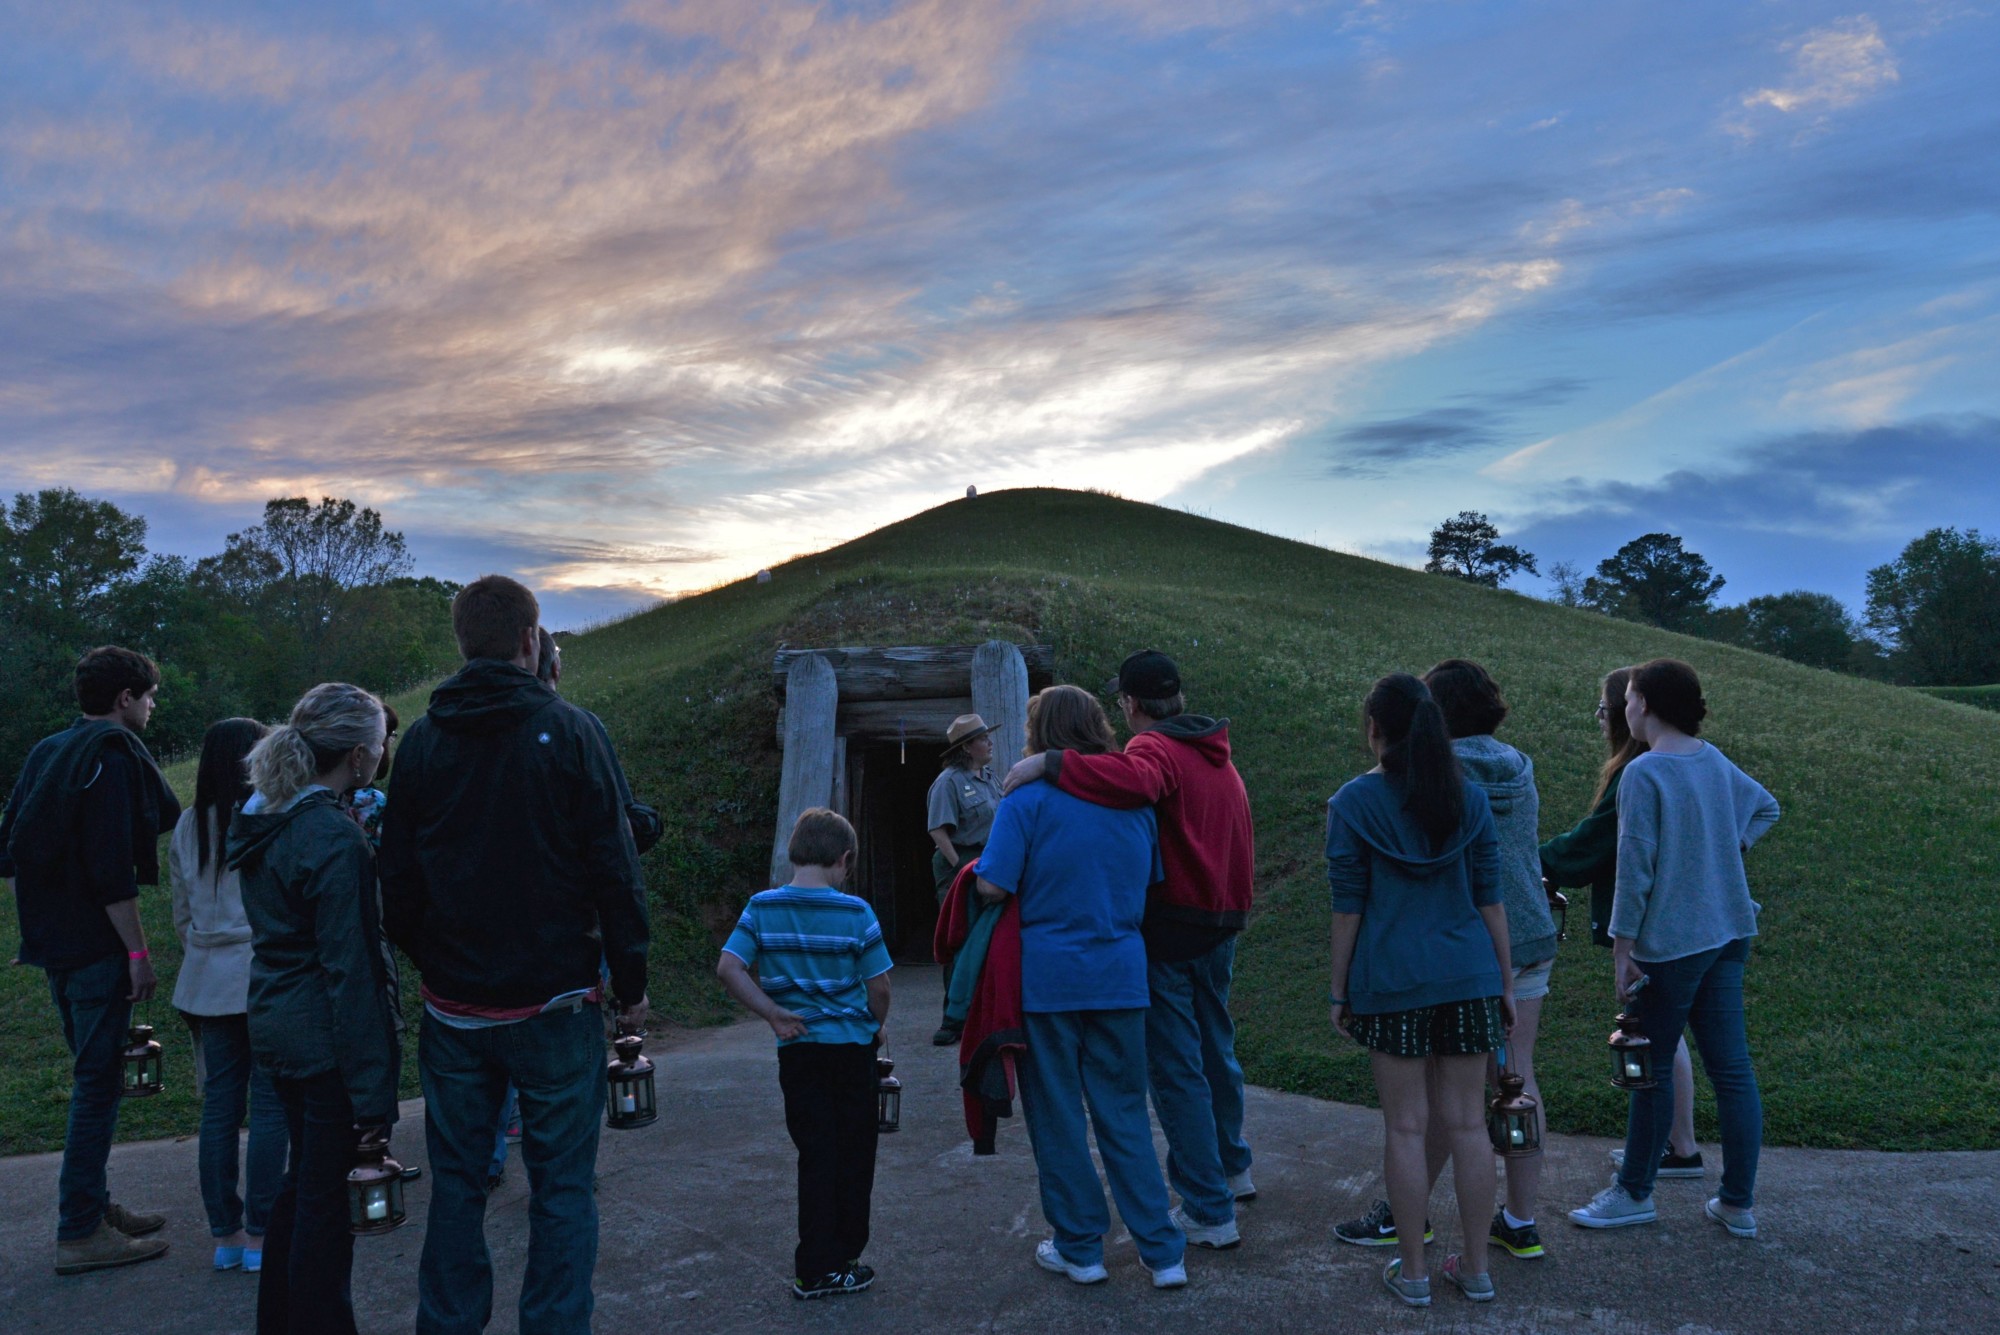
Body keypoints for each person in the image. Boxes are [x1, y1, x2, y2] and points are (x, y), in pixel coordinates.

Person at [379, 575, 649, 1335]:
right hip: (558, 1001)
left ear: (462, 645)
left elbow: (393, 878)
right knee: (563, 1189)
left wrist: (435, 956)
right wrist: (631, 979)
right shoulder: (572, 731)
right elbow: (614, 868)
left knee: (459, 1185)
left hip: (456, 1009)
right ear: (531, 641)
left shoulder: (425, 742)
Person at [1003, 648, 1256, 1247]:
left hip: (1173, 928)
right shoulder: (1213, 750)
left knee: (1175, 1071)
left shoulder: (1154, 749)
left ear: (1131, 703)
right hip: (1222, 922)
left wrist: (1051, 764)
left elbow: (1134, 779)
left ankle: (1209, 1208)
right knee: (1216, 1049)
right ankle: (1232, 1166)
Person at [976, 685, 1187, 1290]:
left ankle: (1081, 1248)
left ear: (1039, 735)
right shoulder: (1133, 804)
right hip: (1121, 973)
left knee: (1060, 1116)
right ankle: (1162, 1251)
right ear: (1097, 726)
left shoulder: (1026, 799)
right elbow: (1149, 880)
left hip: (1048, 979)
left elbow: (993, 885)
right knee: (1124, 1112)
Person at [1568, 658, 1778, 1240]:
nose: (1624, 708)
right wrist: (1726, 850)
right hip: (1730, 933)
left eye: (1629, 698)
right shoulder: (1711, 761)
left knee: (1650, 1069)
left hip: (1672, 944)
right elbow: (1766, 806)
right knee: (1732, 1071)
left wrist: (1621, 948)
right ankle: (1737, 1204)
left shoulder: (1645, 772)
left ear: (1648, 704)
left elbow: (1635, 870)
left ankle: (1634, 1193)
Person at [1326, 673, 1512, 1307]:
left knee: (1406, 1128)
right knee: (1467, 1126)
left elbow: (1348, 906)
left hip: (1392, 981)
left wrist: (1337, 990)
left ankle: (1412, 1275)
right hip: (1470, 977)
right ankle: (1478, 1270)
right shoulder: (1471, 799)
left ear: (1375, 728)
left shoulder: (1353, 803)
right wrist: (1505, 984)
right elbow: (1492, 899)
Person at [0, 645, 180, 1275]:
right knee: (96, 1086)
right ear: (124, 698)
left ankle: (95, 1206)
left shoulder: (49, 751)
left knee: (90, 1078)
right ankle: (79, 1231)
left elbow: (10, 850)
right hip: (97, 951)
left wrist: (44, 924)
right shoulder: (110, 754)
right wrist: (136, 952)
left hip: (55, 949)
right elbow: (113, 872)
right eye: (150, 696)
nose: (153, 707)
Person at [228, 683, 401, 1335]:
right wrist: (373, 1094)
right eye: (380, 748)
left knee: (303, 1192)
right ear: (358, 757)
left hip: (276, 1023)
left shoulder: (264, 816)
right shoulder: (331, 837)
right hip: (324, 1037)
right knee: (327, 1215)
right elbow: (351, 972)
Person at [717, 808, 892, 1300]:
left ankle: (813, 1265)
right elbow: (879, 986)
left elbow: (729, 968)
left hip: (797, 1050)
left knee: (815, 1153)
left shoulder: (761, 907)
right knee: (854, 1154)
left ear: (794, 853)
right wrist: (875, 1028)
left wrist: (772, 1013)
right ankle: (842, 1259)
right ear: (844, 859)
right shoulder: (856, 912)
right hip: (850, 1051)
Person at [1540, 668, 1703, 1178]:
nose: (1605, 719)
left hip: (1654, 926)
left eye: (1607, 709)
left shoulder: (1641, 769)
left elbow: (1593, 845)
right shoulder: (1669, 763)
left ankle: (1673, 1152)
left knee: (1661, 1038)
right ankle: (1676, 1144)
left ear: (1636, 708)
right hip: (1678, 919)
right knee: (1669, 1038)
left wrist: (1525, 858)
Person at [1417, 659, 1555, 1262]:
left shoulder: (1436, 772)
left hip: (1473, 945)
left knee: (1452, 1086)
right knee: (1517, 1077)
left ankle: (1406, 1210)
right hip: (1531, 936)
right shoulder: (1519, 766)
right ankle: (1520, 1221)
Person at [170, 717, 288, 1274]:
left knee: (219, 1108)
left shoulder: (189, 824)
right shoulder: (267, 815)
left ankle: (227, 1235)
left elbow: (182, 915)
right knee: (267, 1106)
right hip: (260, 973)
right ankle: (262, 1236)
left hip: (205, 979)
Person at [926, 712, 1000, 1045]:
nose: (989, 742)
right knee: (961, 937)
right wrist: (960, 869)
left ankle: (985, 1014)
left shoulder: (990, 777)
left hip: (991, 863)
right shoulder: (948, 782)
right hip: (962, 864)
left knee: (991, 938)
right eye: (983, 738)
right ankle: (953, 1019)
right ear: (968, 746)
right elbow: (938, 830)